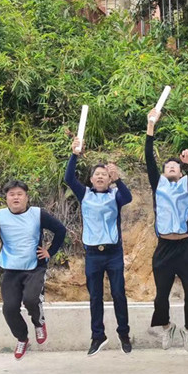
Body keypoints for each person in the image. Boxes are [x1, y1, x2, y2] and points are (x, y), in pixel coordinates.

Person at [0, 180, 66, 360]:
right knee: (9, 309)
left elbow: (60, 230)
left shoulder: (37, 214)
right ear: (6, 198)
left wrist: (50, 251)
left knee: (31, 299)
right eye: (12, 194)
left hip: (35, 266)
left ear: (26, 197)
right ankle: (22, 338)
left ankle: (39, 323)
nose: (16, 197)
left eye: (19, 194)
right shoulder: (0, 216)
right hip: (11, 267)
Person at [65, 138, 133, 356]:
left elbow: (128, 197)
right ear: (91, 179)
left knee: (118, 293)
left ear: (109, 178)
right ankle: (98, 336)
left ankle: (124, 333)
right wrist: (75, 154)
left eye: (105, 174)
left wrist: (119, 180)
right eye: (97, 174)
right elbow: (68, 178)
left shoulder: (115, 195)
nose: (101, 177)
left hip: (113, 253)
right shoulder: (85, 193)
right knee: (95, 296)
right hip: (93, 253)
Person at [145, 108, 188, 352]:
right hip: (164, 247)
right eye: (168, 165)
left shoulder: (187, 185)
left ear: (181, 172)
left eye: (175, 166)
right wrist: (151, 126)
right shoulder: (157, 184)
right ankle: (167, 326)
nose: (171, 167)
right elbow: (149, 157)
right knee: (161, 295)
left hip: (186, 247)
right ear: (163, 172)